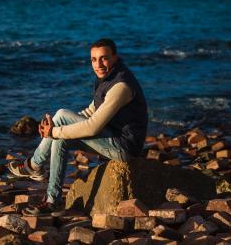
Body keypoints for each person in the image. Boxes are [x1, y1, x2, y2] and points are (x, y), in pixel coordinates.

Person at [8, 38, 148, 216]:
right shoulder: (107, 77)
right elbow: (91, 111)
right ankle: (53, 200)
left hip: (124, 148)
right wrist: (59, 131)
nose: (98, 64)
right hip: (111, 137)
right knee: (61, 136)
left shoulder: (121, 86)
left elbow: (93, 127)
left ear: (115, 57)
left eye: (103, 58)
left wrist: (54, 130)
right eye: (94, 59)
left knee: (60, 117)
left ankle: (34, 165)